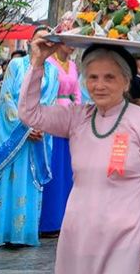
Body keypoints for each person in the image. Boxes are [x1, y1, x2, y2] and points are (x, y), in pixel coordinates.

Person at [19, 39, 140, 273]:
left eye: (109, 77)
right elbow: (30, 114)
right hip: (79, 232)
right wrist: (38, 63)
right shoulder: (76, 117)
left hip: (126, 234)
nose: (100, 85)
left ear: (126, 82)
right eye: (93, 77)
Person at [0, 25, 59, 250]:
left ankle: (20, 234)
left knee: (28, 181)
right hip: (12, 133)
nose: (43, 44)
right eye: (38, 40)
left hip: (37, 137)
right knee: (4, 179)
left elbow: (50, 103)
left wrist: (41, 126)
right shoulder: (16, 65)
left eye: (47, 40)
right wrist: (25, 128)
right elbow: (6, 98)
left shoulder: (53, 72)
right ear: (29, 43)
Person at [40, 42, 81, 236]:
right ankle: (48, 220)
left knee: (67, 169)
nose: (71, 47)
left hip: (70, 118)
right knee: (53, 166)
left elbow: (77, 93)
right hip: (51, 114)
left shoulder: (73, 66)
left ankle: (65, 218)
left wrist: (78, 114)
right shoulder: (48, 63)